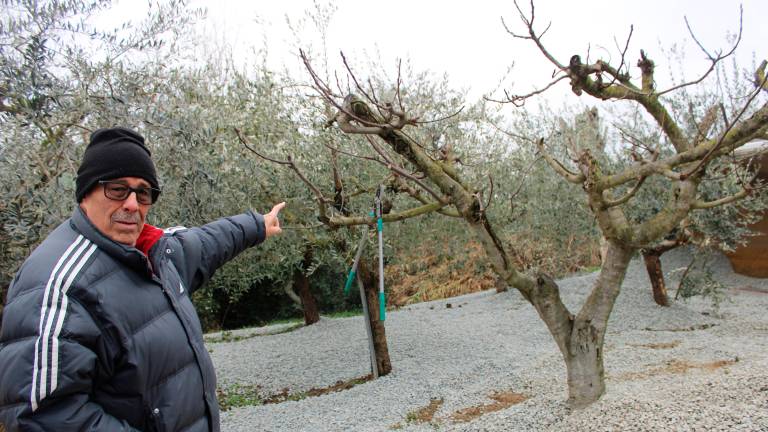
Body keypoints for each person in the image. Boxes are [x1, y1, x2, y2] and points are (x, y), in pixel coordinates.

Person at [0, 127, 285, 431]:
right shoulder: (57, 288)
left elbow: (205, 243)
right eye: (117, 189)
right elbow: (40, 417)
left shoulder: (155, 254)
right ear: (86, 194)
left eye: (143, 192)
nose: (132, 205)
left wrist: (256, 225)